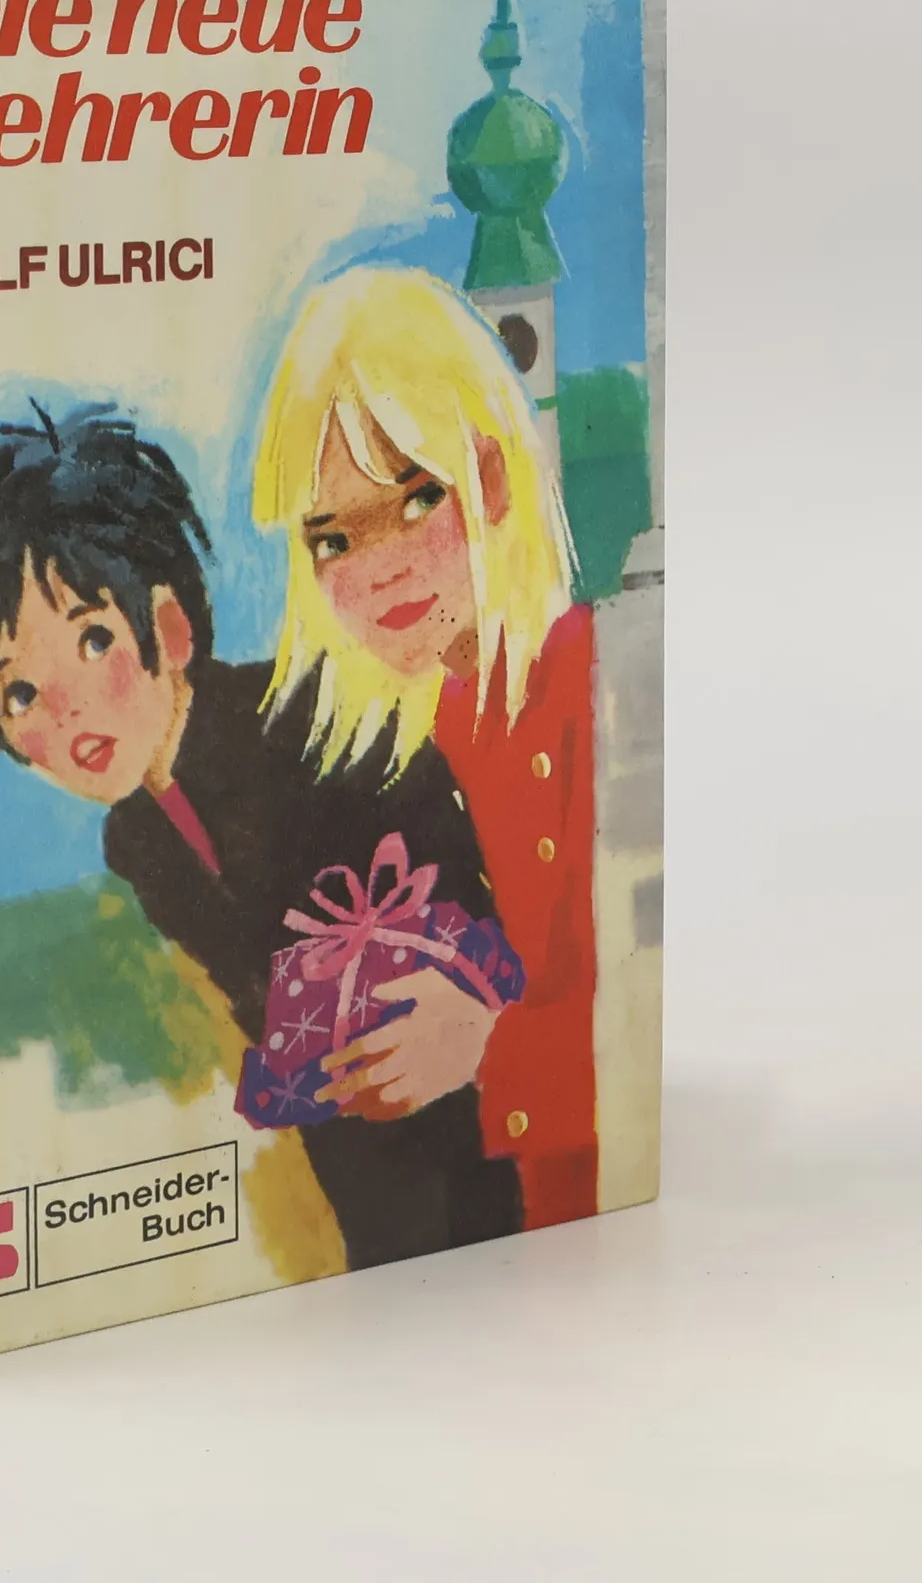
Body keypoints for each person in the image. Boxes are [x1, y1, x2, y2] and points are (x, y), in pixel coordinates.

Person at [0, 402, 522, 1266]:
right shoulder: (133, 838)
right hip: (354, 1163)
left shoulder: (316, 715)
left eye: (93, 640)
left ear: (168, 628)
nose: (66, 709)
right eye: (19, 694)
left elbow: (488, 894)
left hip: (486, 1128)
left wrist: (479, 1015)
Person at [251, 264, 600, 1229]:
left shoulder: (583, 684)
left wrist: (488, 1046)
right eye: (334, 540)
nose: (383, 568)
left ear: (491, 478)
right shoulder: (413, 737)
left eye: (415, 500)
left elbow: (628, 1017)